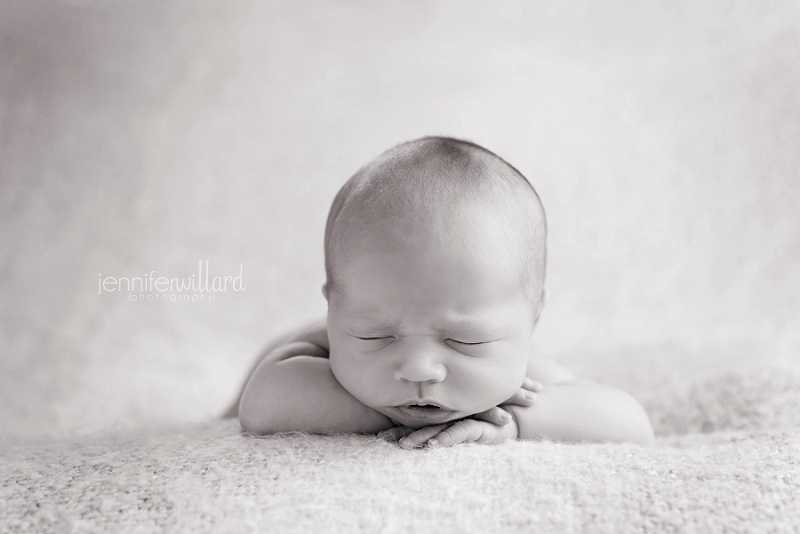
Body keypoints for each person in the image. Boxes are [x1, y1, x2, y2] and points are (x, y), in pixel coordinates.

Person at [231, 136, 655, 448]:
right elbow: (260, 405)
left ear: (532, 319)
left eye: (464, 340)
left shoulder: (516, 379)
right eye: (374, 336)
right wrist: (383, 413)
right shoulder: (311, 359)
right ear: (333, 312)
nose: (419, 369)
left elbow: (631, 424)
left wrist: (515, 422)